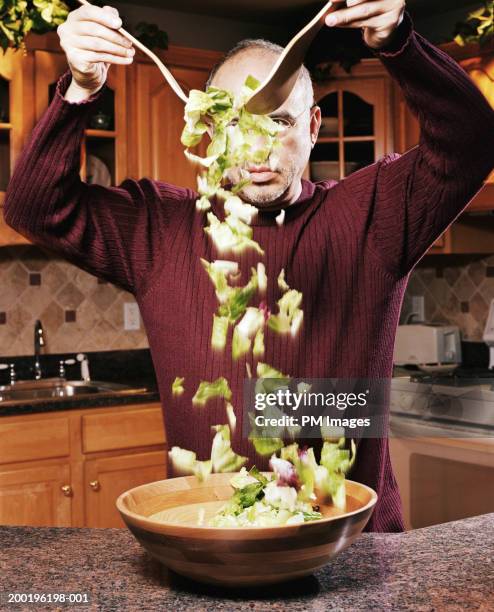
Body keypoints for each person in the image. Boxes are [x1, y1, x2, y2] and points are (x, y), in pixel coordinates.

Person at [5, 0, 494, 532]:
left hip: (353, 546)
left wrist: (398, 41)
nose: (258, 146)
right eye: (235, 121)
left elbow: (472, 143)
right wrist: (79, 88)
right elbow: (33, 206)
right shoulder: (158, 227)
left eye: (278, 120)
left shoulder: (370, 216)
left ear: (311, 128)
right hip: (211, 542)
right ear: (209, 132)